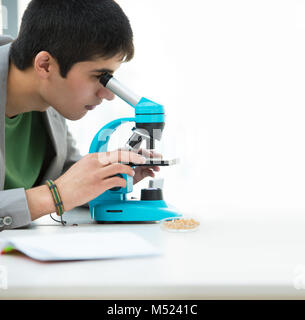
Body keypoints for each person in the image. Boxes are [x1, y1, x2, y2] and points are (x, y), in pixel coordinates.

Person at [0, 0, 160, 230]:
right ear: (45, 65)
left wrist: (111, 178)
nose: (108, 94)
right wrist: (54, 196)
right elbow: (60, 189)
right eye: (99, 76)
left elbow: (66, 175)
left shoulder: (50, 98)